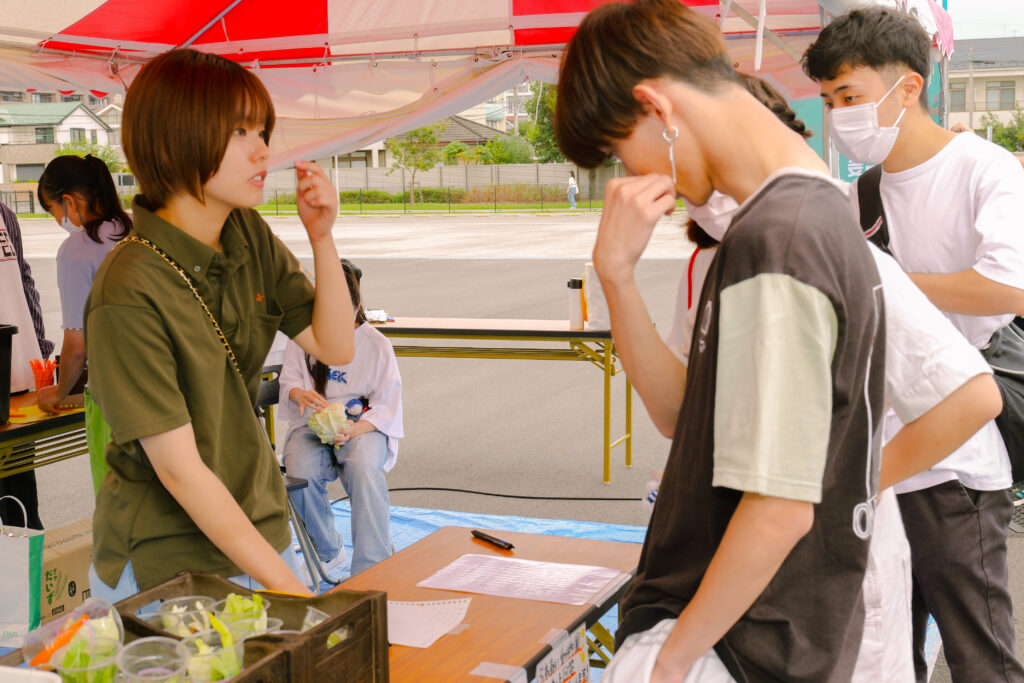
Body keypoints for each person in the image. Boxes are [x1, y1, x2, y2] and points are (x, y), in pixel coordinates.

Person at [555, 1, 886, 680]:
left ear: (657, 107)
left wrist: (671, 661)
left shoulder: (778, 240)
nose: (630, 174)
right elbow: (686, 414)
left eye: (619, 151)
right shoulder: (805, 216)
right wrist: (616, 276)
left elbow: (778, 508)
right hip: (760, 634)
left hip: (725, 642)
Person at [84, 48, 355, 600]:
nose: (263, 149)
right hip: (170, 566)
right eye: (239, 131)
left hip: (261, 535)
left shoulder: (247, 232)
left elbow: (336, 346)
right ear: (175, 139)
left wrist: (322, 237)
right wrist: (292, 592)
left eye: (262, 131)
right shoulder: (127, 289)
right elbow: (179, 470)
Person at [805, 9, 1024, 681]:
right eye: (829, 100)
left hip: (958, 461)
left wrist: (885, 283)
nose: (839, 115)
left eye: (850, 95)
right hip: (884, 455)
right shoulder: (861, 193)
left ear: (908, 86)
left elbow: (1009, 286)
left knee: (980, 656)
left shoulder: (985, 169)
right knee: (886, 654)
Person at [279, 259, 402, 579]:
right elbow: (289, 381)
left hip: (361, 425)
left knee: (363, 467)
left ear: (357, 307)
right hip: (311, 422)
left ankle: (372, 565)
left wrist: (354, 429)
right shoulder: (302, 338)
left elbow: (387, 405)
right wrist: (298, 394)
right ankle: (328, 551)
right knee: (300, 471)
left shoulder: (376, 345)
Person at [36, 154, 131, 494]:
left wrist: (58, 392)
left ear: (69, 201)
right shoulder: (136, 229)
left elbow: (77, 345)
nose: (57, 219)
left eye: (52, 209)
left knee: (117, 499)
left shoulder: (76, 250)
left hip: (115, 396)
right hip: (167, 383)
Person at [0, 200, 50, 530]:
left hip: (16, 370)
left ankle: (26, 549)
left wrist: (40, 347)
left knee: (18, 488)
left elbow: (23, 279)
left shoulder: (4, 214)